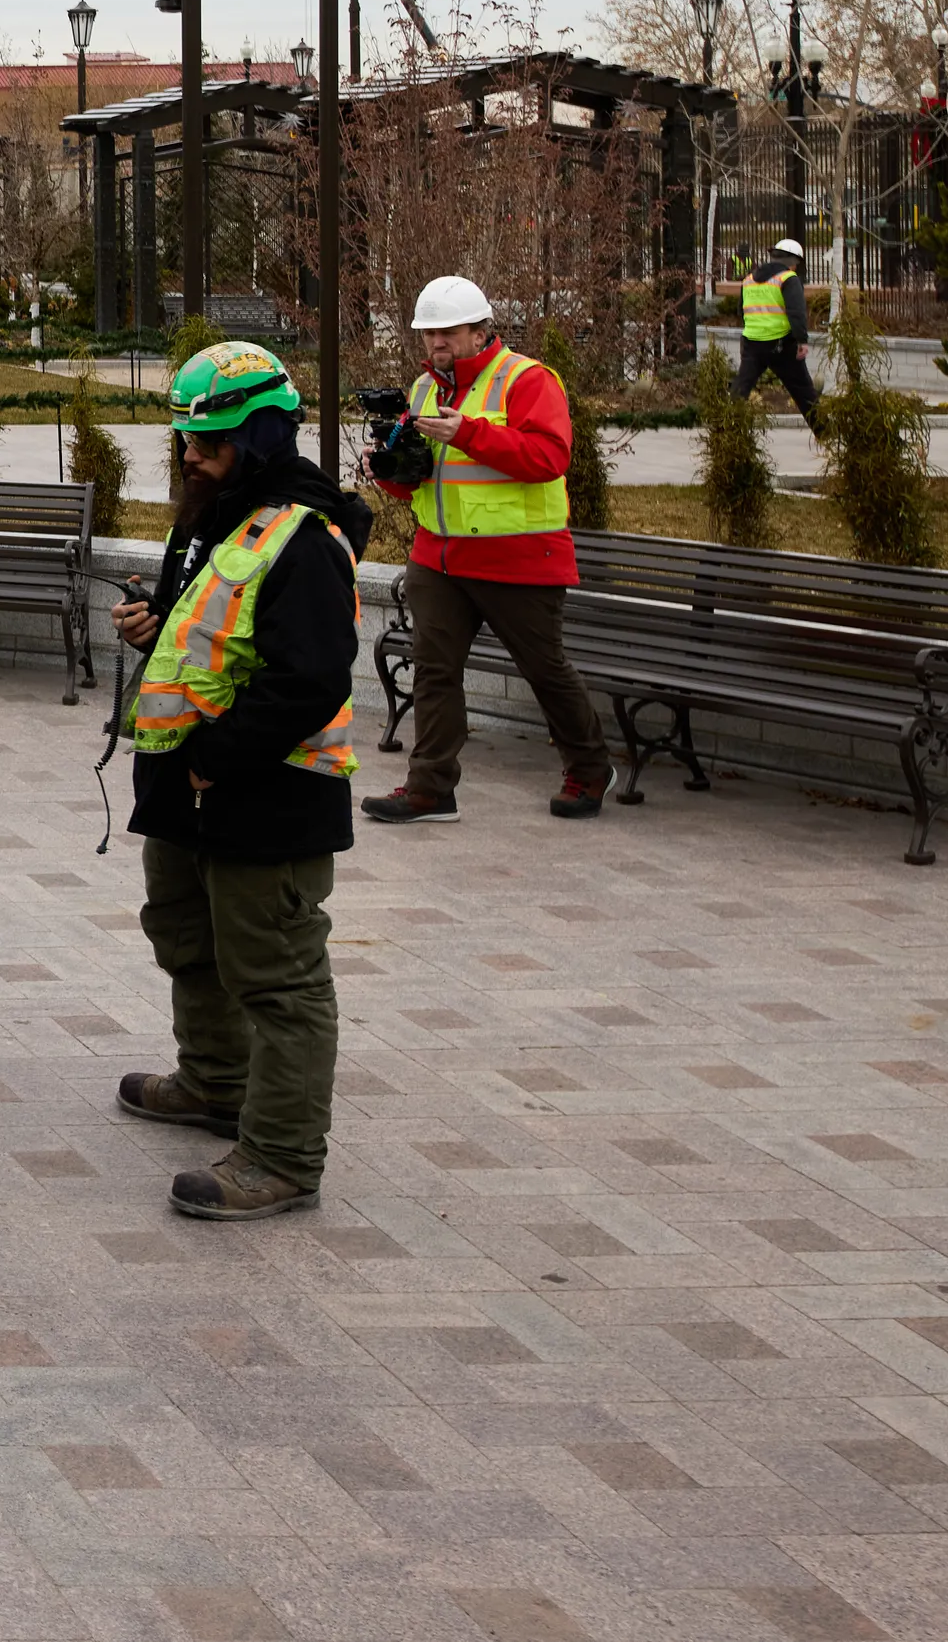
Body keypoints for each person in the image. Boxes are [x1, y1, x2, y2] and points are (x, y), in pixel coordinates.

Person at [107, 341, 367, 1222]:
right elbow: (213, 635)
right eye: (185, 439)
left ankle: (284, 1157)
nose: (191, 456)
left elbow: (311, 678)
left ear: (257, 439)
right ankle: (215, 1081)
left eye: (209, 443)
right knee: (188, 937)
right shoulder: (219, 515)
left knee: (278, 977)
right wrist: (154, 628)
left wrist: (217, 758)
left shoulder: (306, 536)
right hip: (191, 789)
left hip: (267, 794)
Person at [361, 274, 612, 823]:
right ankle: (429, 788)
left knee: (544, 669)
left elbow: (549, 458)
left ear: (480, 331)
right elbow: (423, 482)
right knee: (432, 671)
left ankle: (590, 768)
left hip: (517, 558)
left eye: (447, 332)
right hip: (439, 558)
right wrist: (387, 471)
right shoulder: (425, 388)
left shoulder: (527, 380)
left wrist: (469, 433)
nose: (436, 344)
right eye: (427, 334)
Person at [733, 237, 824, 433]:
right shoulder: (788, 279)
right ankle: (825, 434)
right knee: (803, 391)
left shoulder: (748, 279)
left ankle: (726, 431)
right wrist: (802, 340)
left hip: (752, 343)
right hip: (782, 345)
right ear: (793, 261)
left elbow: (741, 311)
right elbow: (796, 312)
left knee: (741, 388)